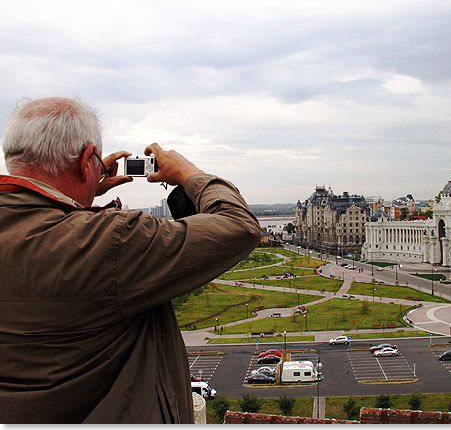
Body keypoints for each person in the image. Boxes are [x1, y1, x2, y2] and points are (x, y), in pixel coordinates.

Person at [0, 97, 261, 423]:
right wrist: (188, 173)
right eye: (94, 161)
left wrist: (80, 190)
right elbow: (240, 227)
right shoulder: (108, 241)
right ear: (85, 161)